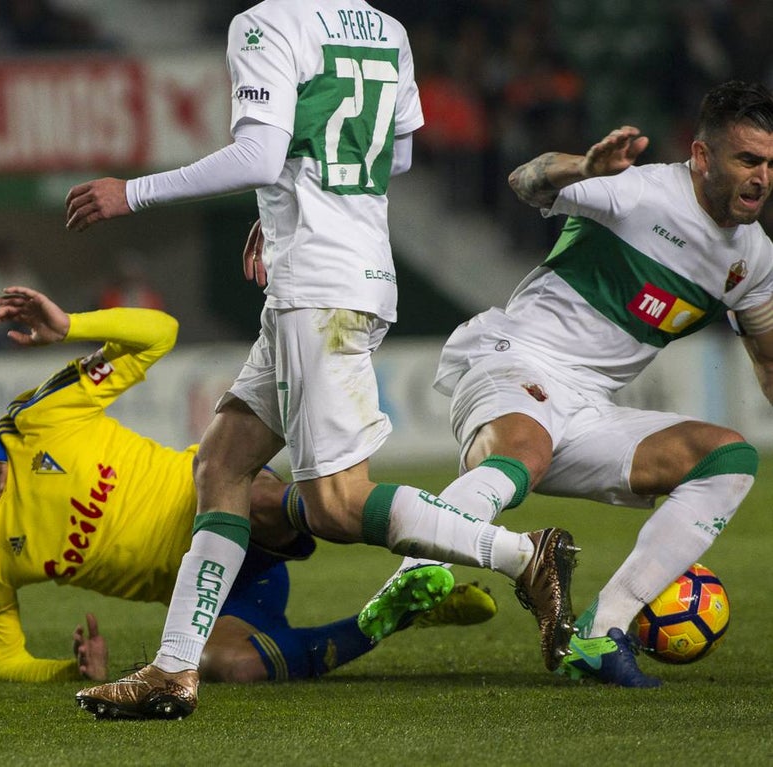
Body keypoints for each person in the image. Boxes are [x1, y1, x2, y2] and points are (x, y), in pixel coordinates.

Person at [66, 0, 578, 719]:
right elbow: (392, 156)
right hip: (352, 270)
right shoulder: (389, 28)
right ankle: (174, 667)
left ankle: (525, 555)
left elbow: (258, 155)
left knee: (337, 501)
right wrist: (277, 206)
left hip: (318, 285)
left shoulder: (266, 22)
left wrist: (133, 191)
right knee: (222, 463)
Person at [0, 287, 499, 684]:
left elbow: (158, 332)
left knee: (275, 500)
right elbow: (7, 661)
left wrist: (71, 322)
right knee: (229, 666)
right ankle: (394, 612)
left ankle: (445, 536)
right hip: (210, 592)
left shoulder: (38, 420)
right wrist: (69, 672)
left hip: (227, 504)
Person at [373, 80, 773, 688]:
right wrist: (583, 167)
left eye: (770, 163)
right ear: (701, 155)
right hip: (515, 360)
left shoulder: (755, 260)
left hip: (589, 410)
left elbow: (768, 359)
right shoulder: (640, 192)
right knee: (522, 454)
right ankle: (412, 578)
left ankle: (601, 633)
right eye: (748, 159)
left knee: (728, 459)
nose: (762, 177)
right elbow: (525, 181)